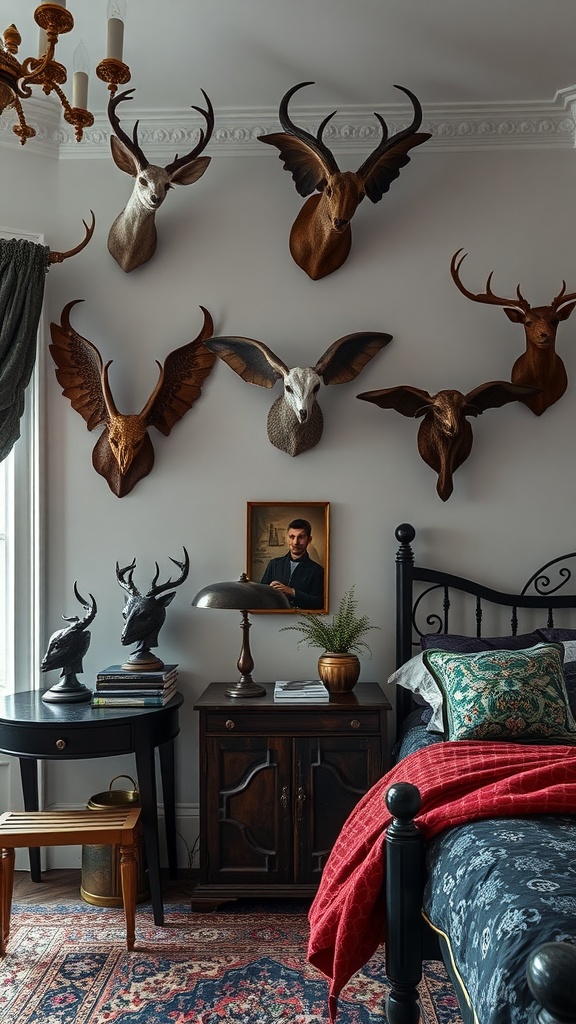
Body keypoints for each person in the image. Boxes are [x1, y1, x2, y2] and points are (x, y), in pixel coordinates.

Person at [261, 518, 324, 609]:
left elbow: (318, 603)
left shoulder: (318, 571)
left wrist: (292, 592)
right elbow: (261, 596)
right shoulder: (273, 564)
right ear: (287, 538)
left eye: (301, 537)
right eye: (292, 537)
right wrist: (269, 589)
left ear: (309, 539)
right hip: (274, 619)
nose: (295, 542)